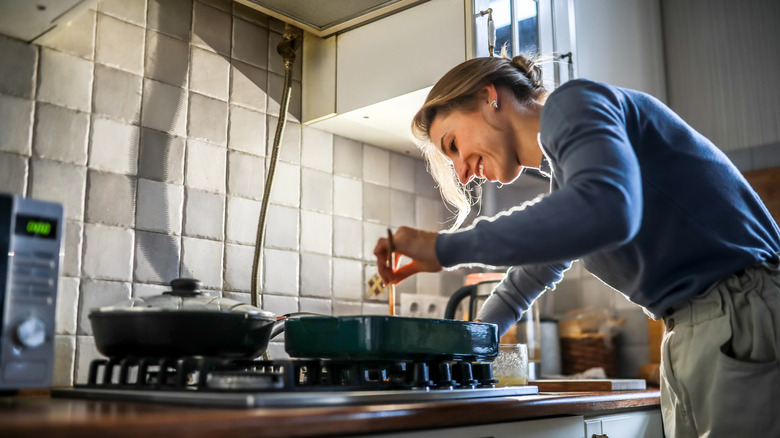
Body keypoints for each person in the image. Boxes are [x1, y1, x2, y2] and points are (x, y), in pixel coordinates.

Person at [374, 54, 780, 438]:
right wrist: (461, 353)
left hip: (741, 316)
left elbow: (606, 208)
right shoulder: (570, 178)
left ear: (487, 95)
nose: (462, 174)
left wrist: (443, 247)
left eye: (452, 145)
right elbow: (526, 280)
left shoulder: (573, 103)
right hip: (704, 329)